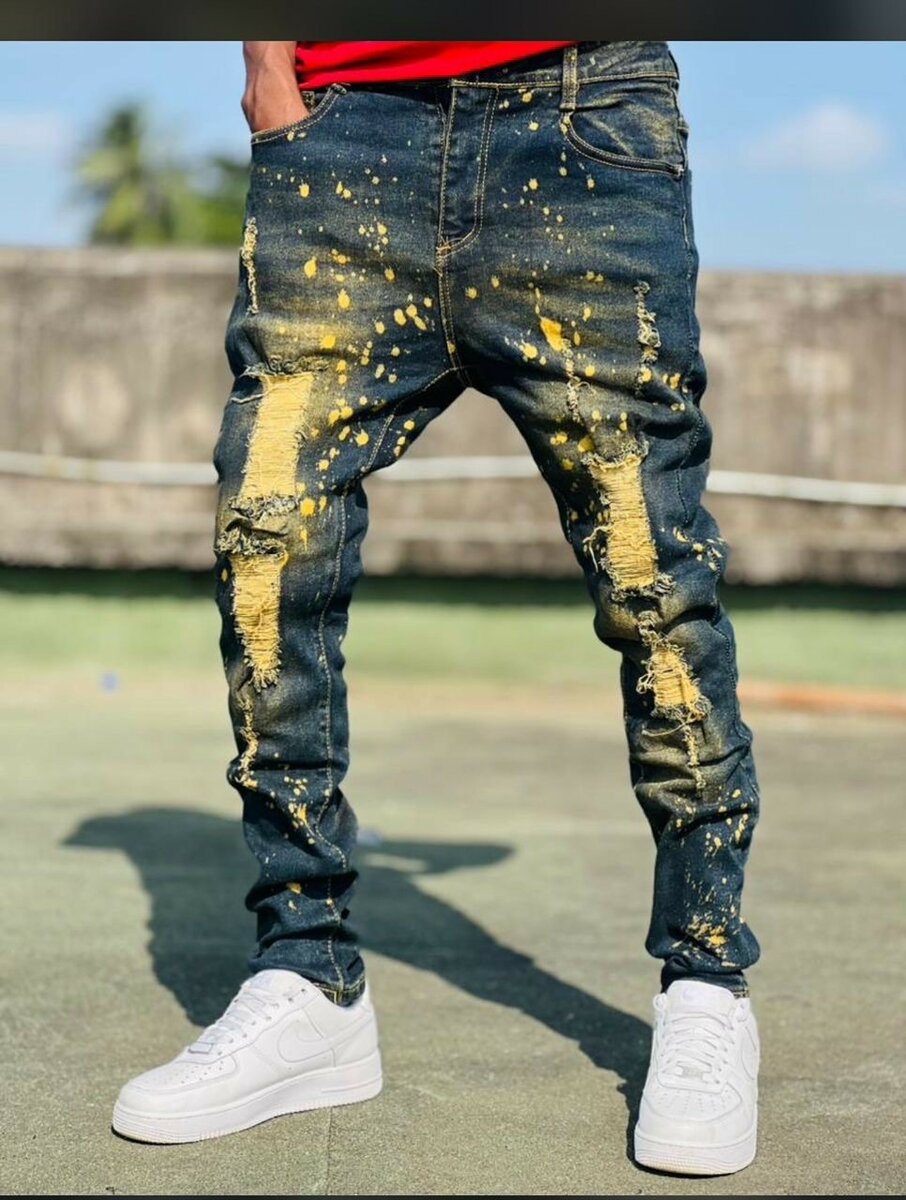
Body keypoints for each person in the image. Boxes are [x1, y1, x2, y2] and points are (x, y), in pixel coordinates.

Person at [113, 40, 761, 1175]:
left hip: (584, 123)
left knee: (654, 576)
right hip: (339, 125)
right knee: (268, 542)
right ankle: (305, 973)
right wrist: (268, 67)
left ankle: (707, 985)